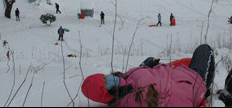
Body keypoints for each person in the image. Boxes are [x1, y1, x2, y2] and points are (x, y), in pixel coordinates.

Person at [81, 44, 215, 107]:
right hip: (193, 85)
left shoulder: (125, 80)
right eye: (105, 82)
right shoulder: (130, 100)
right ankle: (207, 91)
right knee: (205, 50)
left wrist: (146, 65)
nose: (108, 78)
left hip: (180, 76)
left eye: (104, 76)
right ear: (105, 92)